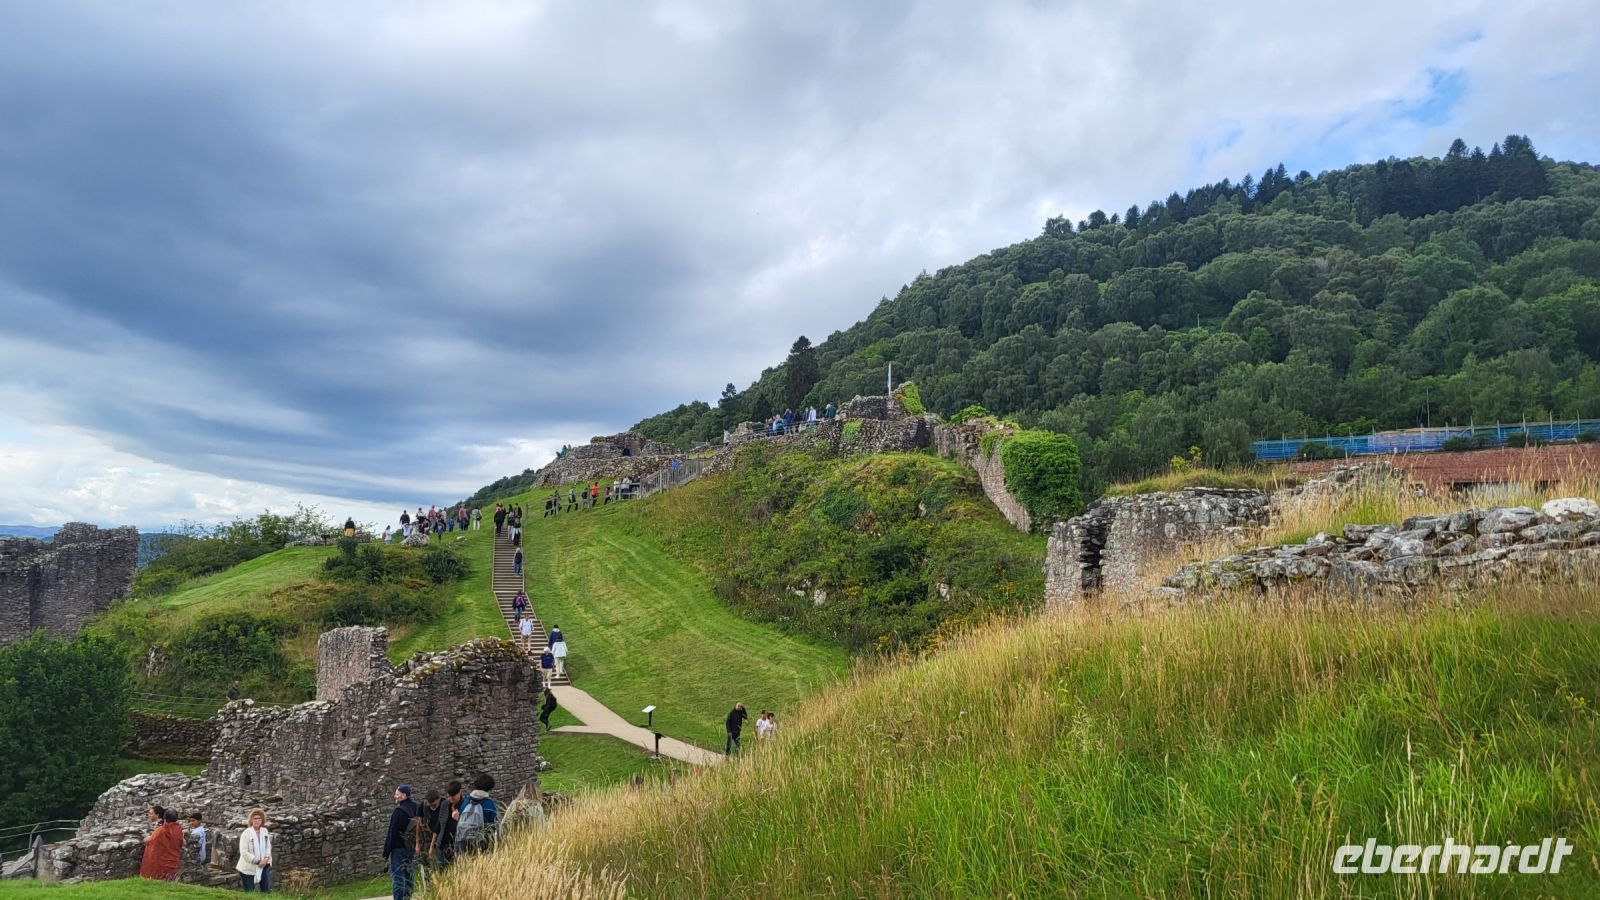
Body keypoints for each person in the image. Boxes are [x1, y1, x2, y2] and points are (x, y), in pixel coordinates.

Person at [384, 784, 419, 900]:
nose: (395, 796)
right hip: (411, 847)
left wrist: (386, 852)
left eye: (397, 794)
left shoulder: (398, 812)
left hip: (398, 848)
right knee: (409, 875)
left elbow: (392, 833)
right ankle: (408, 897)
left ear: (404, 795)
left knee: (398, 877)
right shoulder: (417, 808)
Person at [454, 775, 498, 855]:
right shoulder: (489, 804)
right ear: (489, 788)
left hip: (463, 840)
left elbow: (460, 818)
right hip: (481, 843)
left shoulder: (466, 801)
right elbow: (493, 825)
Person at [140, 808, 183, 880]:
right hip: (173, 861)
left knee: (159, 881)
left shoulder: (161, 830)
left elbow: (149, 841)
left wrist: (147, 838)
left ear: (165, 819)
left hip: (161, 863)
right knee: (170, 882)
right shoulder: (179, 829)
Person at [235, 808, 272, 892]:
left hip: (264, 865)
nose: (257, 820)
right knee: (249, 892)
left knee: (266, 890)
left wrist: (266, 859)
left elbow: (268, 846)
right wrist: (257, 861)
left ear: (262, 820)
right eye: (255, 818)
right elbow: (244, 852)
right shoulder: (246, 833)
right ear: (251, 820)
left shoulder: (265, 831)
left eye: (259, 818)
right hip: (248, 867)